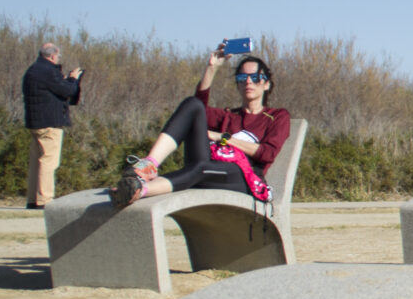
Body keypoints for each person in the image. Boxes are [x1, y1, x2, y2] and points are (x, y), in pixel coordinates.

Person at [111, 45, 291, 210]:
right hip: (210, 166)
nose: (249, 82)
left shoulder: (277, 116)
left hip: (245, 178)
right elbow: (198, 108)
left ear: (266, 84)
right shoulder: (229, 115)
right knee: (192, 104)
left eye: (256, 77)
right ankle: (150, 164)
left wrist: (222, 137)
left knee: (201, 168)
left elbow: (267, 153)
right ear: (237, 84)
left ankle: (139, 190)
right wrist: (212, 68)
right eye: (242, 77)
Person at [22, 42, 84, 209]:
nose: (58, 59)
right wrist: (73, 79)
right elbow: (67, 91)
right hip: (50, 122)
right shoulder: (49, 71)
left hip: (35, 122)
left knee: (36, 161)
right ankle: (44, 199)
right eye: (58, 56)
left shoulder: (32, 70)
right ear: (52, 55)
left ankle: (32, 199)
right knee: (49, 162)